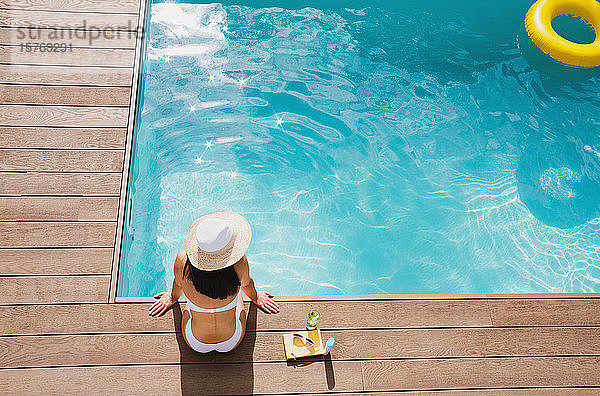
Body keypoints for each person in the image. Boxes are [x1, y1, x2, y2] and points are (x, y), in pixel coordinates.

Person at [148, 212, 279, 353]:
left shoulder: (183, 261)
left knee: (189, 296)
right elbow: (247, 285)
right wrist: (256, 297)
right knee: (239, 291)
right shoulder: (239, 263)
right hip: (233, 339)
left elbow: (178, 284)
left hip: (194, 341)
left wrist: (173, 298)